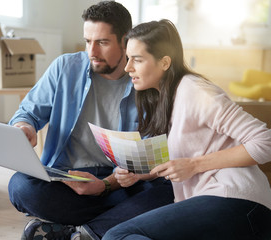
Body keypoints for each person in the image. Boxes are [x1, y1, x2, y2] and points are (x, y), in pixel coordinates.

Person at [8, 2, 174, 240]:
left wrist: (105, 184)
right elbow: (28, 112)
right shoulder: (65, 67)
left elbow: (149, 158)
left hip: (122, 182)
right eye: (88, 41)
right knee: (21, 187)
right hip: (67, 178)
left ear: (126, 40)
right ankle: (110, 225)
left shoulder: (146, 81)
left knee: (166, 191)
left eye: (102, 42)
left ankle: (79, 232)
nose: (92, 52)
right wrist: (24, 127)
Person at [102, 19, 271, 240]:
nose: (127, 67)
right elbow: (176, 158)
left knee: (118, 235)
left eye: (137, 59)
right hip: (207, 201)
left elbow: (265, 142)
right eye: (128, 58)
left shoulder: (194, 90)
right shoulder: (162, 98)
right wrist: (137, 174)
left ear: (164, 62)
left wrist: (194, 165)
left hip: (240, 201)